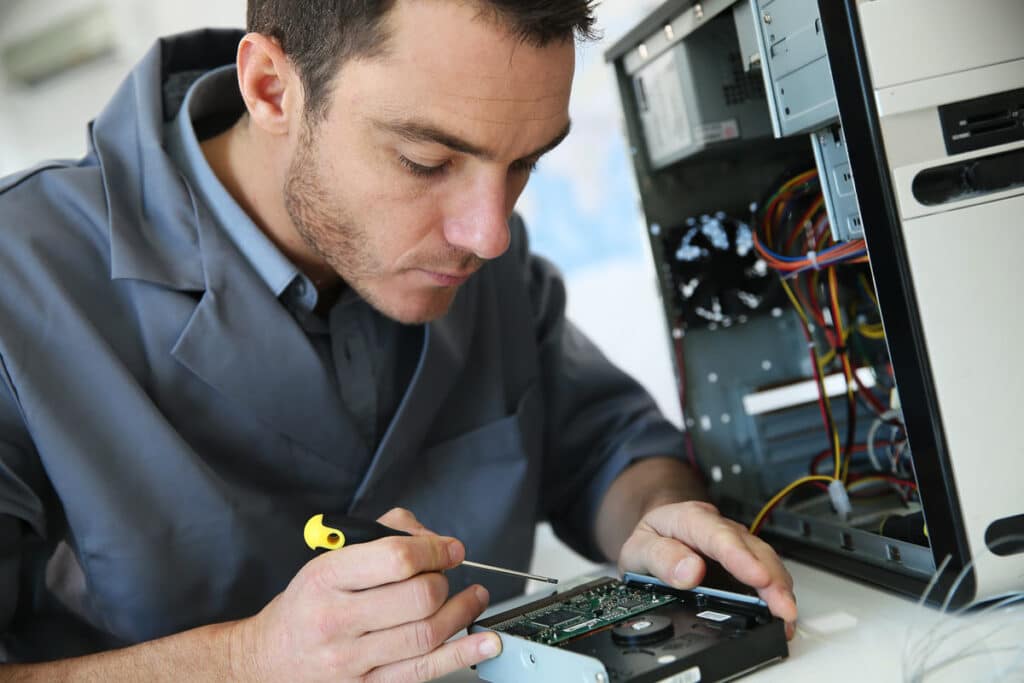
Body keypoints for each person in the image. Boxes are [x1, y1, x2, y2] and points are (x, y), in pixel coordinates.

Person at [0, 0, 797, 680]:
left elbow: (607, 449)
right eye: (426, 160)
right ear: (271, 90)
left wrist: (660, 520)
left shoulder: (480, 253)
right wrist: (248, 658)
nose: (488, 234)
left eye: (524, 164)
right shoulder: (21, 279)